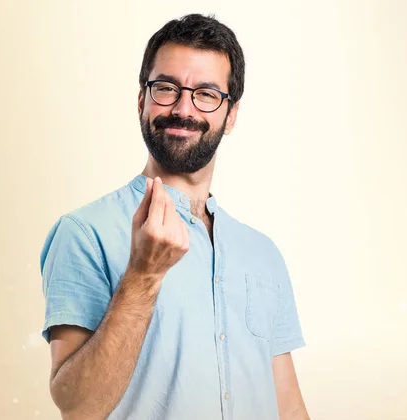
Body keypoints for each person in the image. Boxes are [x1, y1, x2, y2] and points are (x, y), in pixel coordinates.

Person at [40, 13, 310, 420]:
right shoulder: (84, 234)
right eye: (166, 88)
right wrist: (143, 277)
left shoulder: (263, 253)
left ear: (231, 115)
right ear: (141, 101)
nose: (183, 109)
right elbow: (79, 409)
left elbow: (288, 406)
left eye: (205, 94)